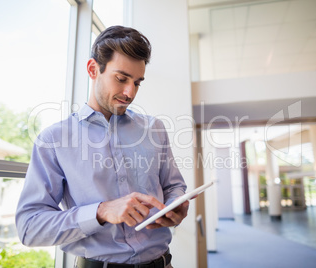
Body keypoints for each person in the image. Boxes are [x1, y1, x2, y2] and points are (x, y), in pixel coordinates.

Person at [15, 25, 189, 268]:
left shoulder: (154, 129)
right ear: (93, 69)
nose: (130, 93)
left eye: (137, 83)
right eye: (121, 79)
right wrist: (100, 211)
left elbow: (174, 186)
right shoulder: (54, 140)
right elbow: (30, 228)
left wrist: (176, 205)